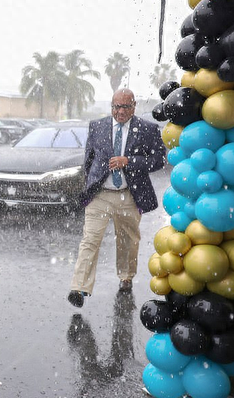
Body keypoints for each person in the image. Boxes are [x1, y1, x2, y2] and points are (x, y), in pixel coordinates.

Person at [67, 88, 166, 308]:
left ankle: (126, 276)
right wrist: (89, 184)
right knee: (90, 240)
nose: (119, 111)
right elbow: (89, 159)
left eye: (124, 107)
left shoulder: (147, 129)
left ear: (133, 106)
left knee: (128, 241)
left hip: (129, 195)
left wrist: (129, 161)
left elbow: (159, 160)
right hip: (100, 194)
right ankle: (79, 287)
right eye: (115, 106)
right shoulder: (97, 126)